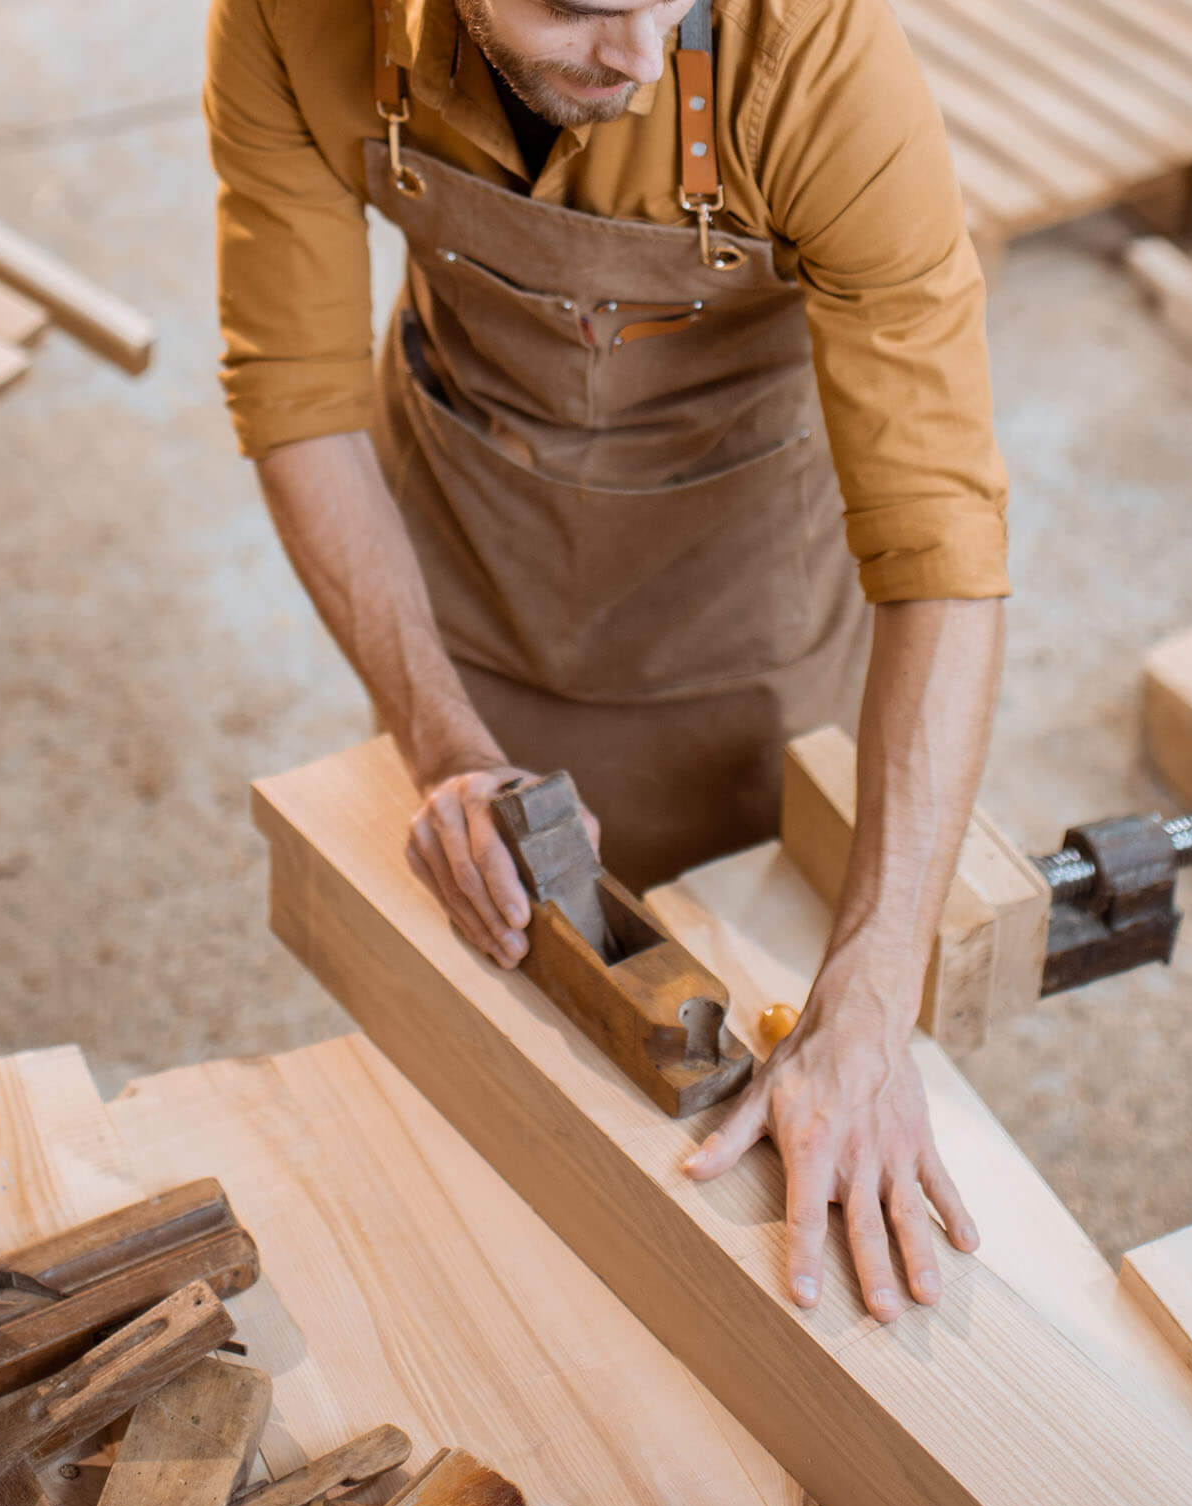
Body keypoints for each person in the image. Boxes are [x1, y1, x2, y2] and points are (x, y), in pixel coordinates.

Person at [207, 0, 1010, 1321]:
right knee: (480, 1106)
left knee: (755, 985)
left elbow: (943, 537)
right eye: (582, 6)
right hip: (462, 558)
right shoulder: (292, 18)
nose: (641, 58)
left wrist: (870, 997)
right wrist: (445, 745)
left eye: (669, 3)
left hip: (741, 601)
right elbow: (295, 392)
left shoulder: (815, 56)